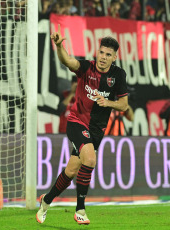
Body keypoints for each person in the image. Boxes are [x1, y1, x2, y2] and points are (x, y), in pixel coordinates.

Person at [36, 25, 128, 225]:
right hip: (77, 122)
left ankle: (46, 201)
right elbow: (67, 60)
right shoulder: (87, 67)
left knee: (71, 170)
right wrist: (60, 47)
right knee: (91, 160)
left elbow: (124, 105)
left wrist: (108, 102)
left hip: (97, 130)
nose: (103, 57)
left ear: (114, 57)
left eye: (108, 54)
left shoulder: (118, 76)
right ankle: (80, 209)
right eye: (101, 52)